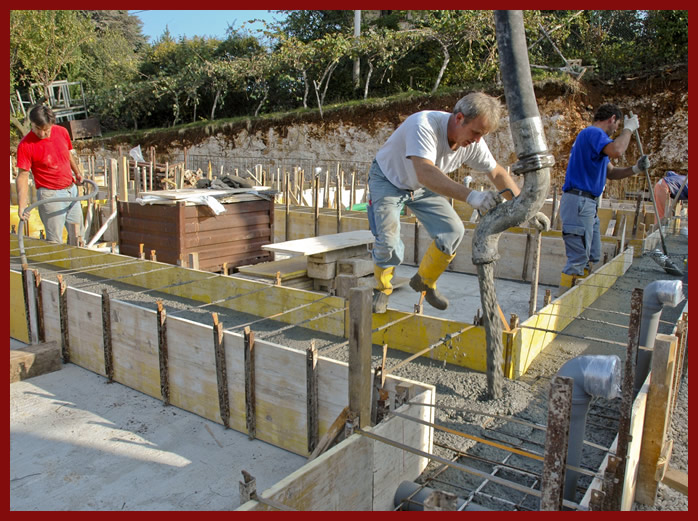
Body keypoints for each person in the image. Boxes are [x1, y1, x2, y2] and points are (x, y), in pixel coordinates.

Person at [368, 91, 546, 313]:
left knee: (453, 231)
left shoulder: (472, 142)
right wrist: (472, 196)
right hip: (389, 180)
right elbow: (424, 171)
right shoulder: (423, 124)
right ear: (459, 118)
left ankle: (425, 281)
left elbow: (497, 173)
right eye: (476, 132)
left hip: (422, 187)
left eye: (483, 135)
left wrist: (526, 208)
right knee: (389, 242)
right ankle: (382, 289)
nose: (477, 140)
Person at [559, 104, 650, 291]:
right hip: (579, 202)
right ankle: (563, 308)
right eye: (617, 125)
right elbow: (617, 150)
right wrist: (629, 129)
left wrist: (635, 169)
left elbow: (611, 172)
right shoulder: (593, 133)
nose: (616, 130)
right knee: (578, 260)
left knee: (592, 255)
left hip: (586, 203)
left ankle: (577, 298)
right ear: (612, 119)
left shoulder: (593, 140)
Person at [16, 105, 84, 243]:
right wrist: (22, 205)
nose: (42, 134)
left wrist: (77, 173)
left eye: (46, 130)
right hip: (50, 195)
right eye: (37, 129)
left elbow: (68, 154)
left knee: (79, 237)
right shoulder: (25, 145)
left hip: (71, 191)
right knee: (55, 241)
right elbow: (22, 176)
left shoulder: (62, 132)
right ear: (32, 124)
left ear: (52, 124)